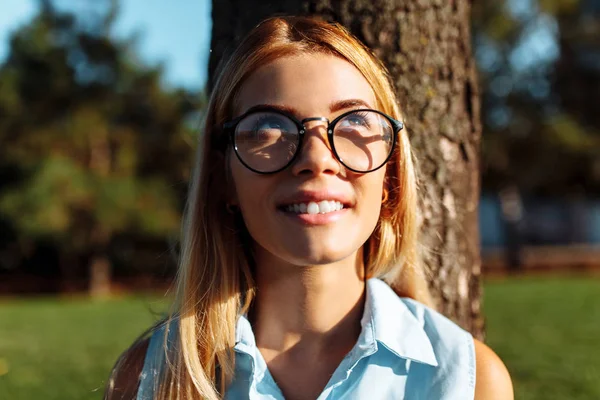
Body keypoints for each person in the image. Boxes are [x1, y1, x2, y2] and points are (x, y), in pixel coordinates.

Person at [105, 16, 513, 400]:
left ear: (389, 176)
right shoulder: (150, 380)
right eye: (269, 128)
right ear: (224, 177)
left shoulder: (469, 380)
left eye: (354, 123)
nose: (317, 158)